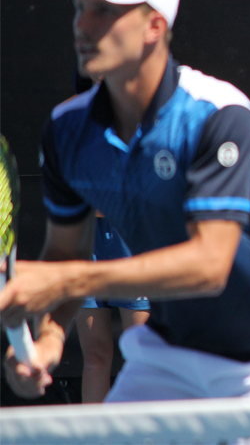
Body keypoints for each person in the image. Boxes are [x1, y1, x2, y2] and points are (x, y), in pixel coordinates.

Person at [1, 0, 250, 443]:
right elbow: (67, 249)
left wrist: (64, 280)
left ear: (154, 26)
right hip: (170, 350)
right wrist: (48, 339)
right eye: (80, 9)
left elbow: (209, 264)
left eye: (104, 11)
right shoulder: (66, 130)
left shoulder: (219, 113)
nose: (83, 25)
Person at [73, 70, 151, 404]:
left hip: (133, 248)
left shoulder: (147, 119)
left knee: (144, 360)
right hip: (86, 249)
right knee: (95, 357)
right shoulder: (72, 124)